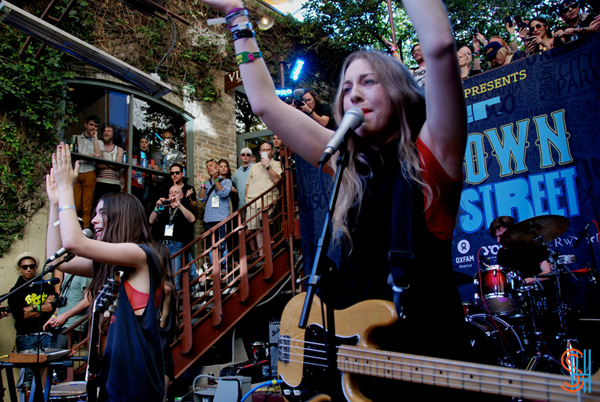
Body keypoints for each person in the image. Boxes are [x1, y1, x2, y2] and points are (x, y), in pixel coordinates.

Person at [197, 0, 471, 398]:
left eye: (368, 82)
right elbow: (265, 105)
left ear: (398, 91)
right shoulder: (350, 166)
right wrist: (237, 15)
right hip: (356, 376)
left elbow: (441, 46)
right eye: (346, 87)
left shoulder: (433, 156)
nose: (354, 94)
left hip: (425, 364)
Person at [46, 146, 165, 401]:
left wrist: (68, 189)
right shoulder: (112, 264)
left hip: (136, 382)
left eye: (101, 213)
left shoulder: (140, 254)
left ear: (120, 216)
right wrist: (55, 205)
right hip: (113, 377)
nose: (94, 221)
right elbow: (57, 260)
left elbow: (73, 243)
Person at [8, 252, 57, 399]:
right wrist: (41, 307)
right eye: (25, 267)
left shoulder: (46, 286)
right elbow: (19, 315)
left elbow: (52, 309)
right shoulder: (15, 291)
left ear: (36, 268)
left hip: (46, 334)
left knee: (52, 370)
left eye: (31, 266)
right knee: (28, 375)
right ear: (20, 269)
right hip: (26, 336)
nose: (29, 269)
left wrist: (31, 309)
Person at [149, 185, 199, 293]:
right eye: (171, 192)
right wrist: (157, 206)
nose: (173, 194)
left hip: (175, 245)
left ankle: (175, 307)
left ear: (181, 195)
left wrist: (179, 205)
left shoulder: (184, 206)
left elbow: (192, 219)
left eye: (176, 192)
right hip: (160, 245)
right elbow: (151, 220)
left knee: (174, 279)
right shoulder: (163, 207)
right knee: (159, 276)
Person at [43, 273, 91, 382]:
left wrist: (65, 316)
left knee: (59, 363)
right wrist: (54, 316)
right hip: (61, 324)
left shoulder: (83, 274)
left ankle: (70, 393)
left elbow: (88, 299)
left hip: (72, 324)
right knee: (54, 362)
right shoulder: (69, 274)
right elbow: (63, 301)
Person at [245, 142, 282, 258]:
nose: (265, 151)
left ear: (272, 151)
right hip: (252, 200)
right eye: (263, 150)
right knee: (256, 228)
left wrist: (267, 166)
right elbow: (248, 184)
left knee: (265, 223)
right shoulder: (254, 166)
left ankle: (269, 247)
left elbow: (277, 180)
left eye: (268, 149)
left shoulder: (277, 164)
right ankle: (262, 254)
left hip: (267, 198)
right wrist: (247, 198)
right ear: (260, 152)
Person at [197, 159, 232, 271]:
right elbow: (202, 198)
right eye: (207, 166)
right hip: (209, 219)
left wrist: (216, 179)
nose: (209, 168)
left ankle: (224, 269)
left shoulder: (226, 182)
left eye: (211, 166)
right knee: (212, 245)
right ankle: (215, 268)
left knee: (222, 244)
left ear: (217, 167)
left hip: (221, 218)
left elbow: (223, 193)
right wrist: (202, 184)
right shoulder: (206, 183)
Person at [72, 115, 103, 229]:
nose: (93, 128)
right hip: (76, 172)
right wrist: (90, 156)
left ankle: (85, 231)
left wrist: (95, 138)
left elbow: (99, 156)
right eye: (91, 125)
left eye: (96, 126)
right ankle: (73, 229)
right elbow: (74, 156)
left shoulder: (98, 142)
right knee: (75, 205)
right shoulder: (76, 138)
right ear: (85, 124)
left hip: (90, 172)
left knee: (87, 206)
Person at [93, 124, 123, 207]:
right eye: (105, 131)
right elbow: (99, 165)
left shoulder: (119, 149)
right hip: (100, 182)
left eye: (109, 131)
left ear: (113, 134)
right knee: (98, 207)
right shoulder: (98, 147)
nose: (106, 133)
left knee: (112, 208)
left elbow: (118, 165)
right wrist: (111, 163)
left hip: (114, 183)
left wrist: (105, 163)